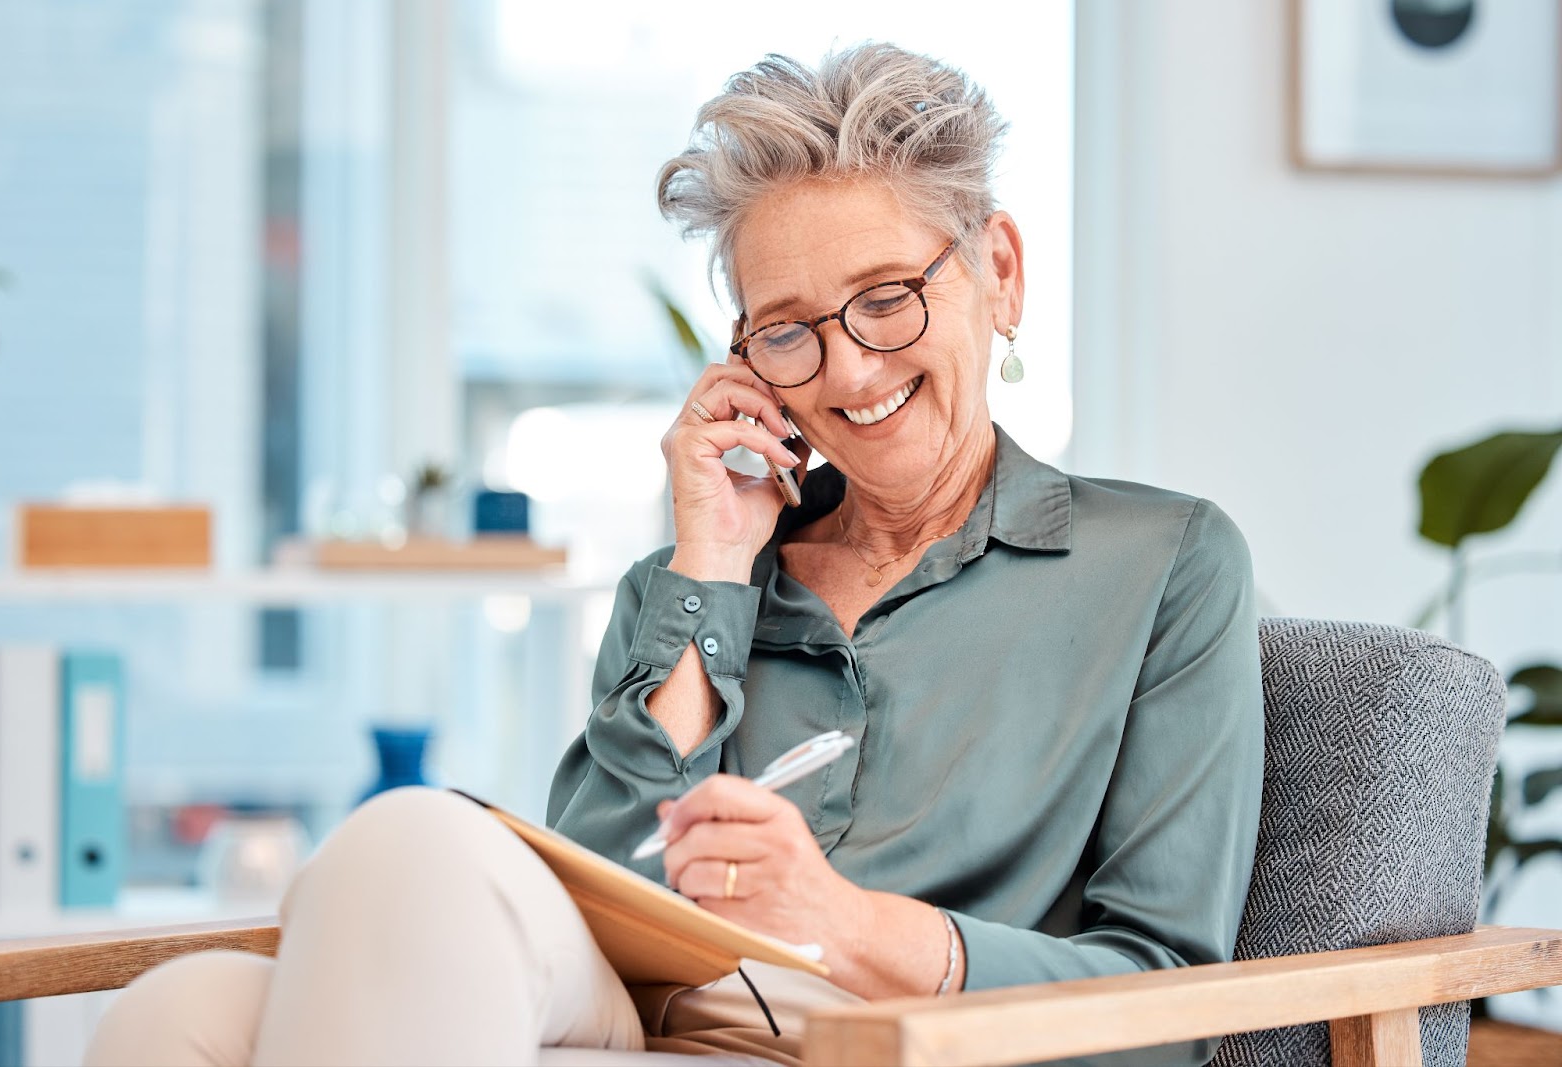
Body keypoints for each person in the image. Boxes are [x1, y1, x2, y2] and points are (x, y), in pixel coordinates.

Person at [85, 43, 1263, 1067]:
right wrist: (713, 564)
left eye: (887, 297)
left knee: (241, 973)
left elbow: (1167, 1001)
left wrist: (842, 921)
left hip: (873, 1038)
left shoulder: (1161, 563)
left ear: (998, 270)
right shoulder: (692, 581)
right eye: (788, 329)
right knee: (186, 1002)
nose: (848, 370)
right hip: (647, 1016)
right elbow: (599, 889)